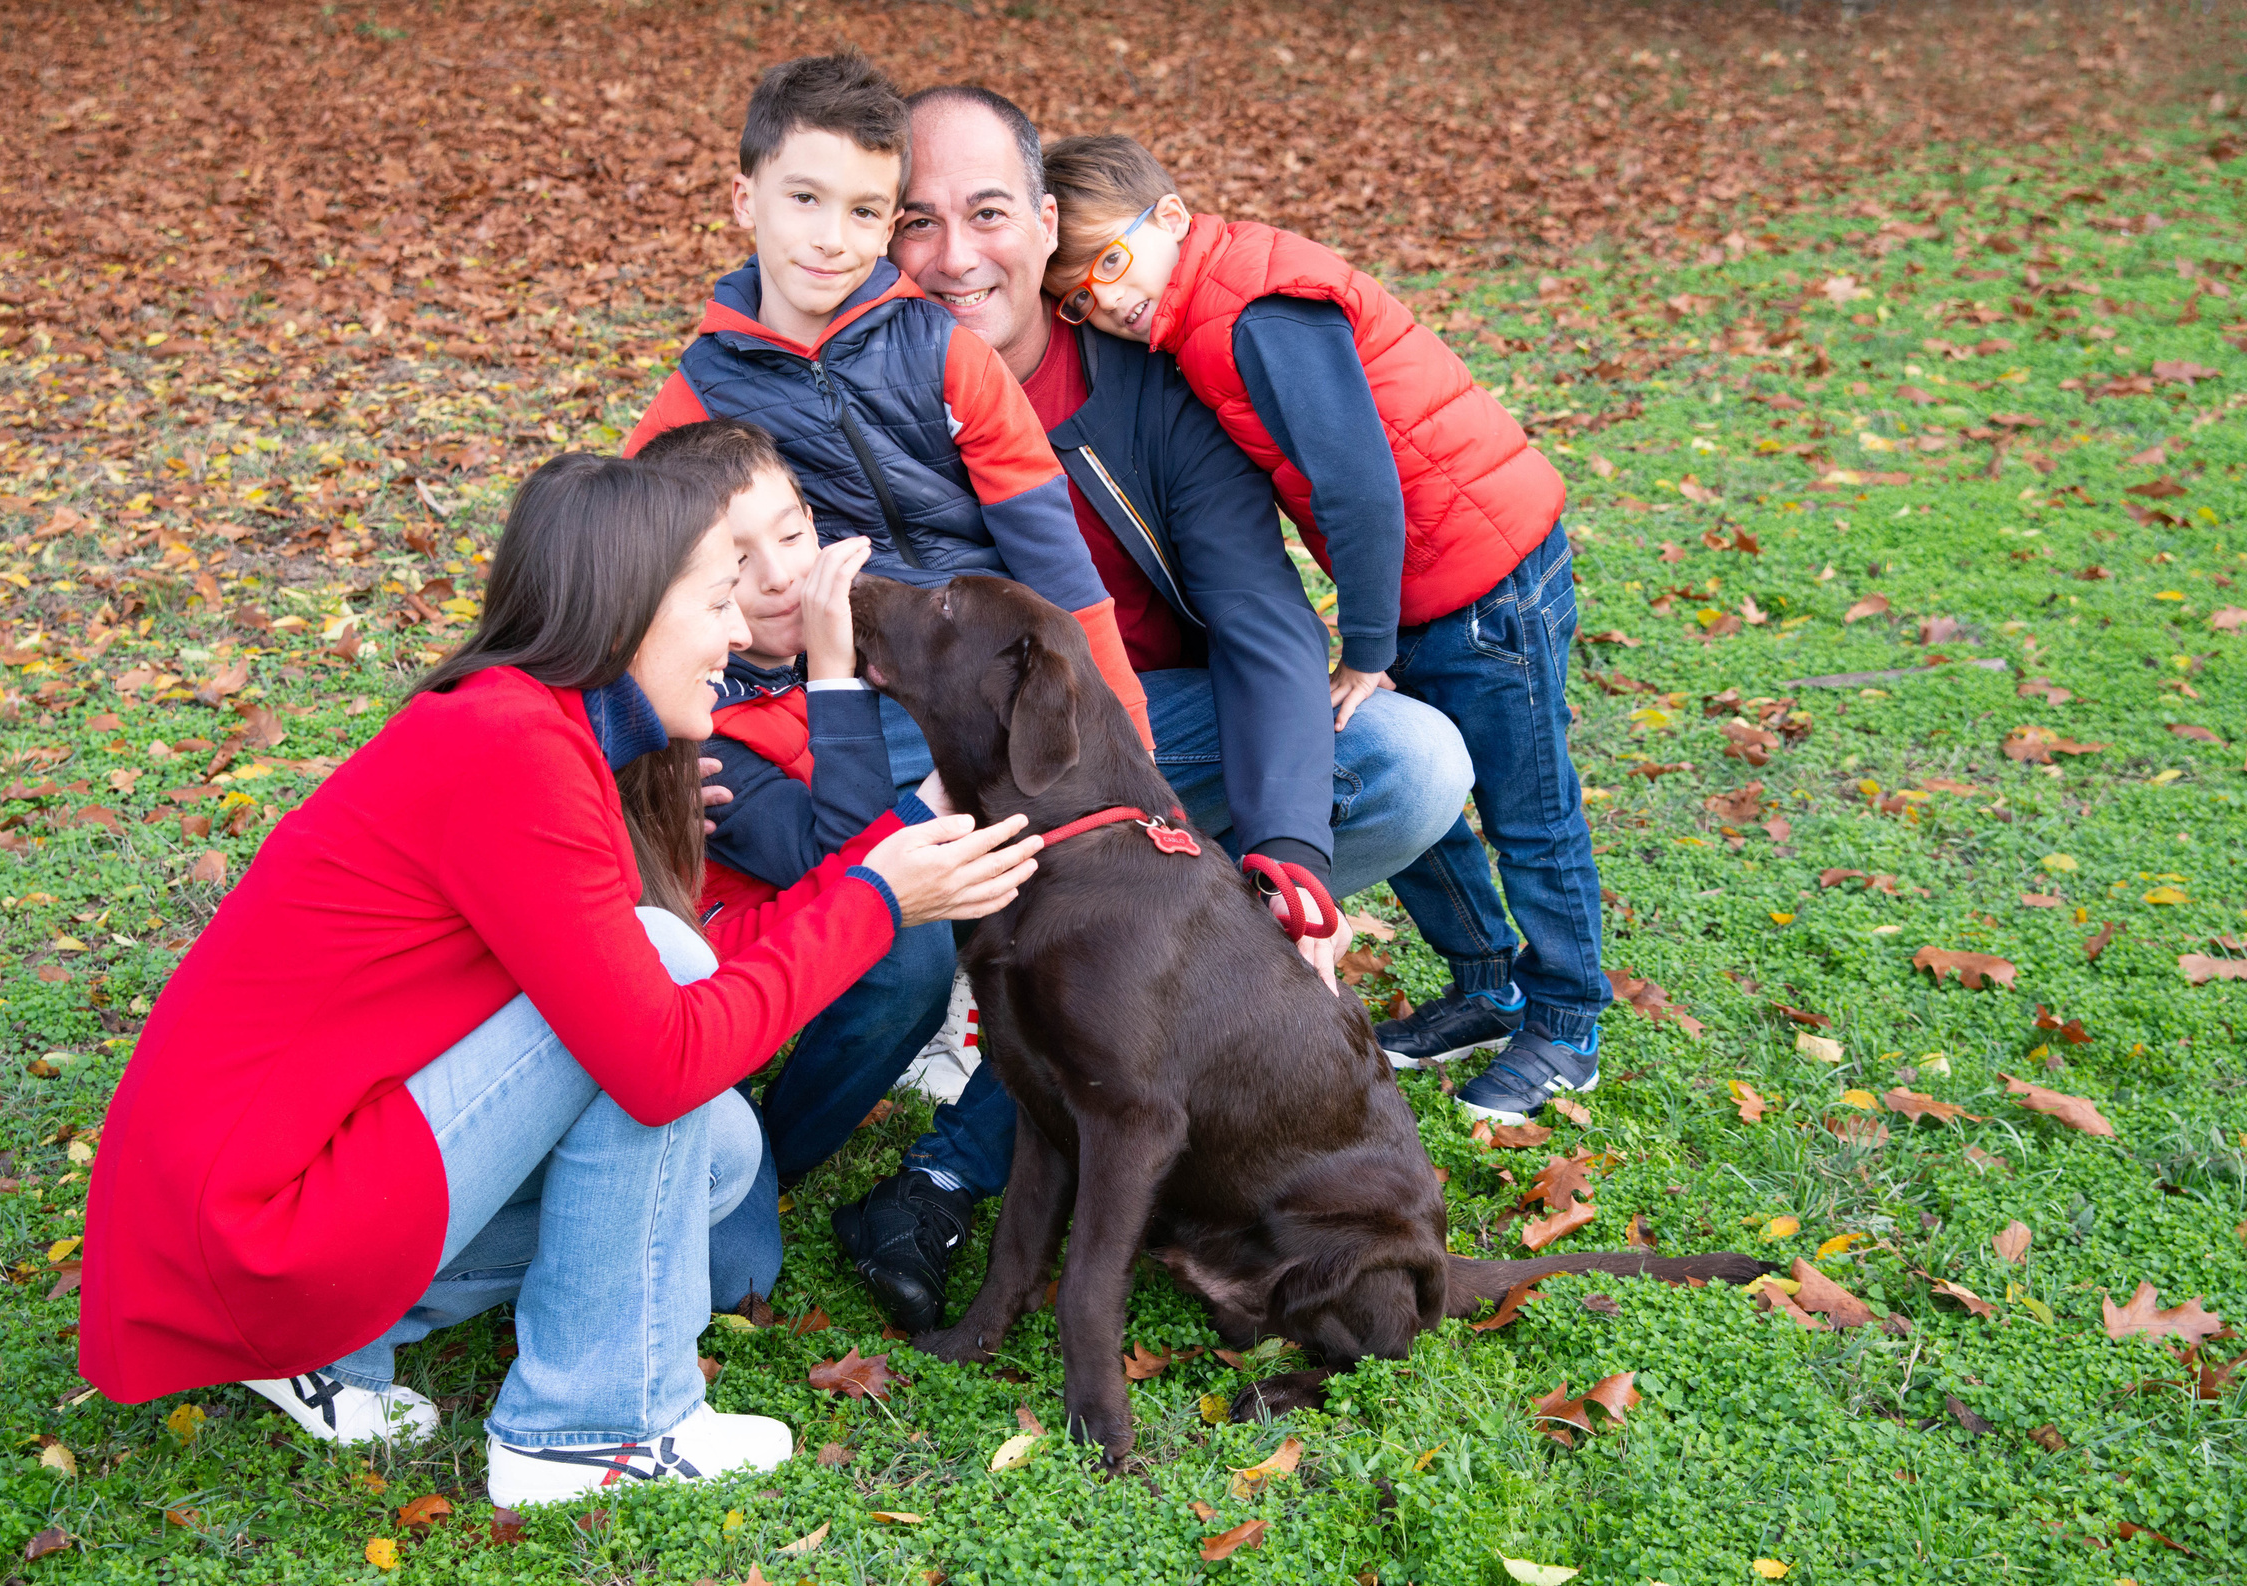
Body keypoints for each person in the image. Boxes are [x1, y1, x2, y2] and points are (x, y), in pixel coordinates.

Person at [77, 453, 1043, 1508]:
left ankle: (333, 1336)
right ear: (629, 608)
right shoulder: (508, 744)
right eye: (718, 600)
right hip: (249, 1223)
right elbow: (663, 1044)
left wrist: (877, 872)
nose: (734, 634)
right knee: (666, 1001)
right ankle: (589, 1422)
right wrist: (874, 900)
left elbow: (672, 996)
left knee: (720, 1154)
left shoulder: (539, 729)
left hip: (267, 1185)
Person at [825, 85, 1478, 1334]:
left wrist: (1287, 860)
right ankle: (984, 1027)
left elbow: (1269, 631)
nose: (955, 256)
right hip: (948, 741)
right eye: (915, 222)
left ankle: (991, 1136)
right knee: (897, 868)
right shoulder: (864, 393)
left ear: (1045, 217)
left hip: (1145, 741)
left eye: (988, 213)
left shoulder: (1145, 391)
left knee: (1406, 760)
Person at [1037, 133, 1606, 1129]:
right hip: (1423, 580)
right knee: (1408, 787)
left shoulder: (1255, 313)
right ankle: (1485, 984)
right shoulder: (1194, 319)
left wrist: (1370, 649)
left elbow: (1358, 484)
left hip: (1489, 575)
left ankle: (1565, 1023)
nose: (1106, 299)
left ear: (1171, 218)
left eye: (1113, 262)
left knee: (1529, 807)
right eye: (1079, 294)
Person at [619, 52, 1158, 764]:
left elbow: (1056, 563)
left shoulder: (949, 357)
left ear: (888, 229)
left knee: (1345, 750)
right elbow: (618, 577)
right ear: (745, 199)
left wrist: (1132, 746)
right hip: (840, 715)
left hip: (1001, 688)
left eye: (864, 212)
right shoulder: (702, 395)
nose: (831, 239)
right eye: (803, 199)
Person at [632, 418, 977, 1312]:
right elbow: (846, 864)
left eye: (792, 533)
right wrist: (833, 671)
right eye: (738, 559)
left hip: (808, 924)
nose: (783, 575)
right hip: (712, 968)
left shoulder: (851, 619)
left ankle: (788, 1153)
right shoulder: (693, 704)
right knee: (900, 944)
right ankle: (743, 1148)